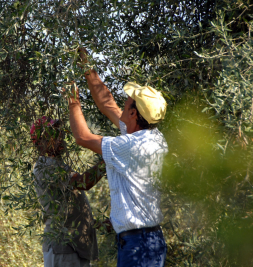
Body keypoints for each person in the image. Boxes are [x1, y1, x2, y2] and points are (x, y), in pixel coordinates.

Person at [67, 49, 168, 267]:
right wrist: (86, 65)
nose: (123, 103)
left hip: (138, 244)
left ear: (133, 114)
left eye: (128, 102)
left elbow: (82, 137)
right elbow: (107, 103)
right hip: (145, 241)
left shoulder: (131, 146)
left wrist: (71, 99)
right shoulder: (150, 136)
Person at [31, 116, 106, 267]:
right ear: (41, 141)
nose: (61, 137)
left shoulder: (56, 165)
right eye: (54, 134)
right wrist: (109, 158)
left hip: (73, 247)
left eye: (60, 133)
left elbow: (68, 207)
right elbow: (84, 182)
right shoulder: (46, 167)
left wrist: (95, 224)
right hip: (64, 247)